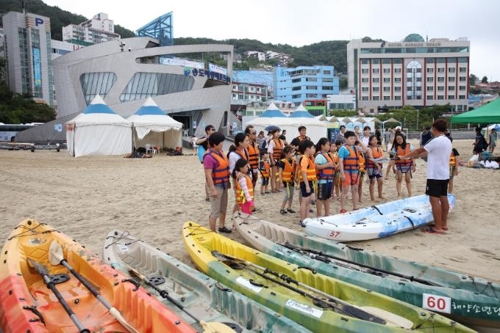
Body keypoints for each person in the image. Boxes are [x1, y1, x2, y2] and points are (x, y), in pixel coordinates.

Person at [398, 119, 452, 234]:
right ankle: (443, 224)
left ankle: (438, 227)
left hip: (435, 175)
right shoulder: (447, 140)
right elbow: (428, 153)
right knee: (443, 197)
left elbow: (418, 150)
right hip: (444, 174)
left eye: (432, 128)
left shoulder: (435, 140)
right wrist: (415, 157)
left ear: (435, 129)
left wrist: (404, 157)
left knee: (434, 200)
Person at [203, 132, 231, 233]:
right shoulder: (209, 157)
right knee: (215, 211)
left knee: (223, 208)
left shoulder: (220, 153)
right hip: (216, 186)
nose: (222, 145)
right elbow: (208, 175)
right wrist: (213, 189)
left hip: (223, 184)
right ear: (214, 144)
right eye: (221, 143)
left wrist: (228, 182)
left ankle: (222, 226)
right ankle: (213, 232)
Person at [338, 131, 362, 213]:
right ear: (346, 139)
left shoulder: (356, 148)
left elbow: (366, 150)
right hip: (346, 171)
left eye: (354, 139)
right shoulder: (343, 148)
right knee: (345, 190)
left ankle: (355, 207)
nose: (353, 140)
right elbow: (340, 161)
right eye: (351, 138)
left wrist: (359, 140)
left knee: (355, 189)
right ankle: (342, 208)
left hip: (355, 171)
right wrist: (342, 173)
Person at [228, 133, 250, 214]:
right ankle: (235, 220)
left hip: (246, 178)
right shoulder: (232, 154)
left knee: (245, 199)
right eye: (246, 141)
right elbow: (231, 169)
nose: (248, 142)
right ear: (240, 143)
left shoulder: (245, 150)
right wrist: (238, 174)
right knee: (239, 201)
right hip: (238, 180)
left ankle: (242, 217)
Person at [387, 133, 415, 197]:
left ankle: (410, 194)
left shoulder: (409, 145)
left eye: (400, 138)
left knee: (408, 179)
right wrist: (393, 167)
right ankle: (399, 194)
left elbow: (413, 156)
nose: (399, 140)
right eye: (397, 139)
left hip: (408, 165)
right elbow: (393, 158)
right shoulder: (395, 147)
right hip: (399, 165)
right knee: (399, 179)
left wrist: (414, 165)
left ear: (403, 138)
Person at [314, 138, 334, 217]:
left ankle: (327, 213)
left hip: (329, 180)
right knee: (320, 198)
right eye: (327, 145)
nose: (329, 146)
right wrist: (327, 165)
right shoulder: (319, 156)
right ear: (322, 146)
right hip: (322, 181)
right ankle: (319, 214)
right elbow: (316, 166)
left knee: (327, 197)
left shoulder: (328, 155)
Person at [298, 140, 316, 225]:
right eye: (312, 147)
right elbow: (303, 172)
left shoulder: (308, 158)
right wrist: (307, 185)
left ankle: (306, 218)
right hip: (306, 182)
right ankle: (302, 220)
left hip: (310, 181)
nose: (314, 149)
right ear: (307, 149)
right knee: (304, 201)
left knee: (308, 201)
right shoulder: (304, 158)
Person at [196, 125, 216, 201]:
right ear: (208, 131)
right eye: (212, 129)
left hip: (214, 159)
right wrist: (207, 138)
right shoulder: (205, 139)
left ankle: (211, 194)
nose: (214, 131)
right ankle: (207, 196)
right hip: (207, 160)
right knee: (208, 177)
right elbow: (197, 142)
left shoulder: (215, 139)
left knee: (212, 177)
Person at [365, 135, 385, 201]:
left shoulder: (379, 148)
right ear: (370, 141)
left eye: (376, 139)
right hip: (371, 167)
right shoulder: (369, 148)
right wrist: (377, 163)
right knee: (372, 181)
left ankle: (380, 195)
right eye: (373, 140)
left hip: (378, 166)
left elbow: (382, 156)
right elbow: (371, 158)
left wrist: (378, 161)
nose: (375, 141)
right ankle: (372, 198)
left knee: (380, 181)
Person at [278, 146, 296, 215]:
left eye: (292, 152)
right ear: (286, 154)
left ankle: (289, 207)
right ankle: (282, 208)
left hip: (291, 180)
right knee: (287, 195)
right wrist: (281, 182)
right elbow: (280, 173)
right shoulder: (283, 162)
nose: (292, 154)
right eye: (290, 152)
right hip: (285, 181)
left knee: (291, 195)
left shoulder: (293, 161)